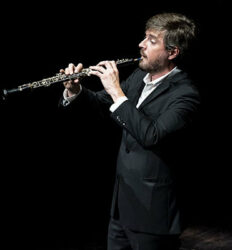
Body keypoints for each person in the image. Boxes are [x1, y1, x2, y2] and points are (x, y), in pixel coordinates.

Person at [59, 12, 200, 250]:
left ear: (172, 52)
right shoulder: (139, 77)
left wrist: (116, 91)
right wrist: (75, 90)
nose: (141, 44)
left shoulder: (185, 95)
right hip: (122, 207)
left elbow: (150, 135)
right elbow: (104, 105)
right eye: (144, 37)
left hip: (153, 213)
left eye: (151, 40)